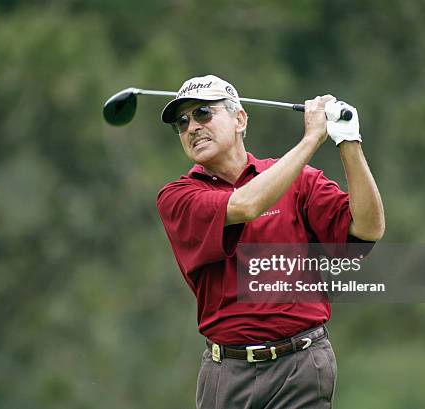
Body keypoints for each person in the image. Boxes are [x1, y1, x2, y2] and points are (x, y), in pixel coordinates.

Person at [156, 75, 385, 409]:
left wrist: (349, 141)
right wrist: (311, 139)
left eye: (203, 113)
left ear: (240, 119)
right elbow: (247, 205)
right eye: (182, 122)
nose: (192, 126)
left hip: (302, 366)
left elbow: (367, 229)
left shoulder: (300, 181)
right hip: (227, 372)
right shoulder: (178, 197)